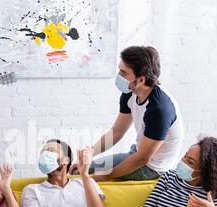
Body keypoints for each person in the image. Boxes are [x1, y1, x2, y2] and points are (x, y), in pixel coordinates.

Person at [70, 46, 183, 182]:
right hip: (136, 153)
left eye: (123, 73)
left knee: (85, 178)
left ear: (141, 79)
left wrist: (108, 176)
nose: (118, 75)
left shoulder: (159, 109)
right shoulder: (130, 92)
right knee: (79, 170)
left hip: (154, 167)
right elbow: (116, 132)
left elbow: (143, 158)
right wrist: (88, 155)